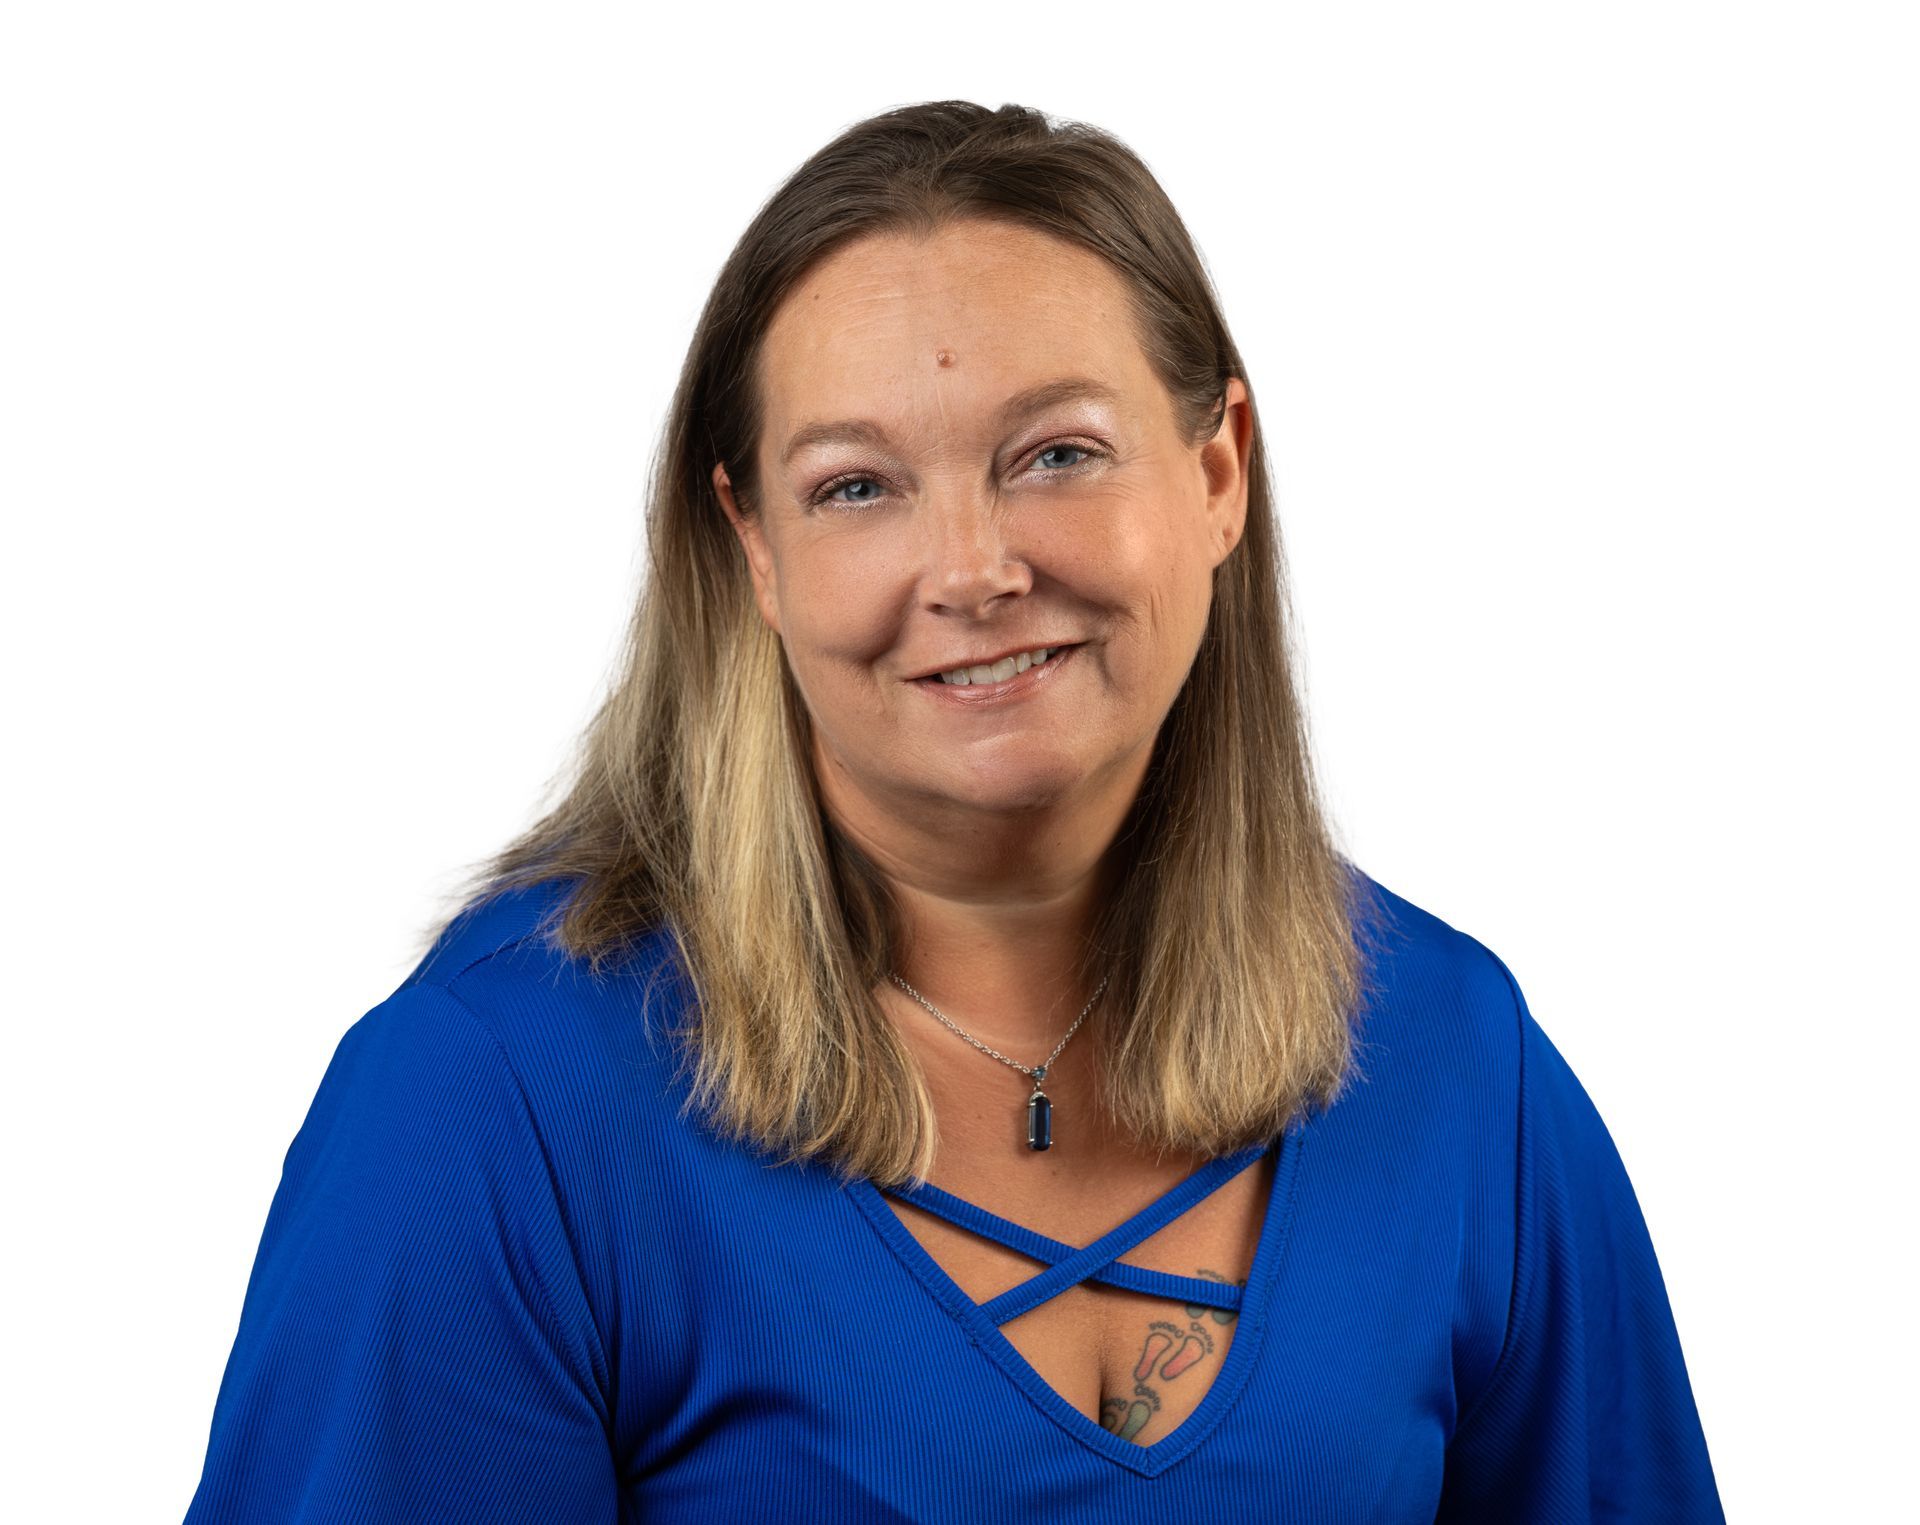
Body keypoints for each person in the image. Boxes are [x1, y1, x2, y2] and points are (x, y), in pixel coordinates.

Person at [181, 100, 1725, 1523]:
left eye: (1056, 454)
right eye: (859, 486)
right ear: (754, 550)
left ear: (1216, 472)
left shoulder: (1459, 1065)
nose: (975, 566)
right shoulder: (491, 1104)